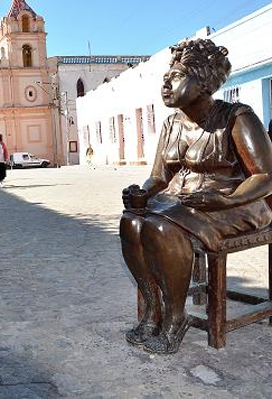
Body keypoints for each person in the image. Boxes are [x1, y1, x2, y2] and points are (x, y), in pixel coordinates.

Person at [120, 38, 272, 354]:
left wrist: (228, 200)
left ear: (202, 81)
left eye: (174, 77)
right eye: (165, 78)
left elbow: (265, 175)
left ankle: (177, 318)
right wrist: (141, 192)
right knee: (131, 222)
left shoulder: (237, 117)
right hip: (186, 202)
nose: (165, 84)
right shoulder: (172, 123)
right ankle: (154, 308)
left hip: (237, 203)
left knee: (161, 227)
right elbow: (160, 177)